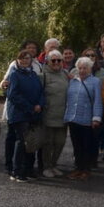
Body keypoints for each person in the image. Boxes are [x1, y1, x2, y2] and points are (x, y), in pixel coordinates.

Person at [6, 49, 45, 182]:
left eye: (27, 58)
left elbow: (41, 92)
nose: (24, 60)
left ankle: (29, 169)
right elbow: (13, 95)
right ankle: (17, 171)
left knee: (32, 142)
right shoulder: (14, 75)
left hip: (33, 113)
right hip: (19, 113)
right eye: (21, 58)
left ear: (30, 60)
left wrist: (40, 104)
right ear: (17, 60)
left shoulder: (33, 74)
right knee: (22, 142)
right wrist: (30, 107)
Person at [64, 56, 103, 180]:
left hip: (87, 119)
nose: (82, 70)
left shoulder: (96, 81)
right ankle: (78, 168)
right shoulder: (73, 81)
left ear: (90, 69)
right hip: (73, 118)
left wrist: (96, 117)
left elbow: (98, 100)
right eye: (80, 68)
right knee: (76, 146)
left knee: (86, 146)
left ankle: (86, 169)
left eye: (85, 68)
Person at [39, 50, 70, 178]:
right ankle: (46, 166)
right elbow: (38, 94)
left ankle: (53, 164)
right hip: (48, 115)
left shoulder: (65, 74)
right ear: (48, 61)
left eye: (59, 60)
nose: (56, 62)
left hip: (63, 115)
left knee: (60, 142)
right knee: (48, 143)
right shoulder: (43, 75)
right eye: (53, 60)